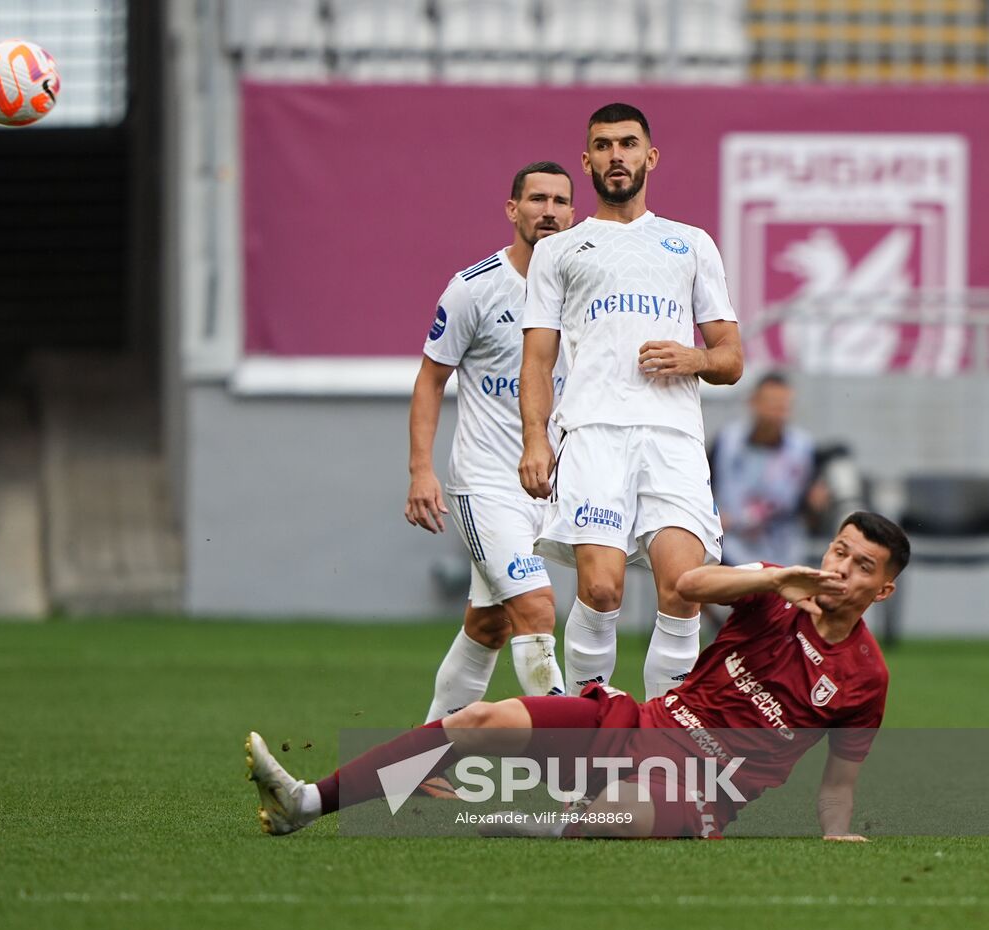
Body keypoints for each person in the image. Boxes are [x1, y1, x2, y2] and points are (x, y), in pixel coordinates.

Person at [246, 512, 908, 840]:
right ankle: (307, 803)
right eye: (838, 551)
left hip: (707, 785)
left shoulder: (864, 680)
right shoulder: (774, 591)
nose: (840, 567)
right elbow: (687, 583)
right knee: (478, 722)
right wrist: (773, 576)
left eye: (861, 565)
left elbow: (839, 781)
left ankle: (536, 815)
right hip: (641, 727)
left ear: (882, 591)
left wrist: (835, 835)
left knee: (611, 815)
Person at [517, 102, 744, 701]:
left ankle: (662, 751)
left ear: (651, 156)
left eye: (628, 143)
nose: (616, 155)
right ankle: (588, 746)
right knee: (600, 590)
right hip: (593, 434)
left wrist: (693, 357)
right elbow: (537, 358)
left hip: (672, 439)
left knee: (685, 588)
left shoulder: (691, 244)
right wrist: (536, 439)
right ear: (586, 160)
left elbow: (731, 357)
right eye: (604, 145)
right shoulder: (559, 250)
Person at [405, 162, 576, 713]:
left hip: (555, 490)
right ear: (513, 209)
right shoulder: (474, 288)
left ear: (573, 214)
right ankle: (572, 768)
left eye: (559, 201)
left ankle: (422, 764)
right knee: (538, 611)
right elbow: (431, 380)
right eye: (537, 200)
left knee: (488, 625)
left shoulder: (584, 290)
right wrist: (420, 470)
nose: (549, 211)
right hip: (488, 486)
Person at [709, 372, 829, 568]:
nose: (777, 412)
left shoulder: (803, 449)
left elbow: (809, 504)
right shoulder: (726, 441)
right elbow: (703, 484)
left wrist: (816, 505)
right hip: (729, 551)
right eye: (771, 403)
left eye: (784, 406)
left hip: (783, 554)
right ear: (753, 402)